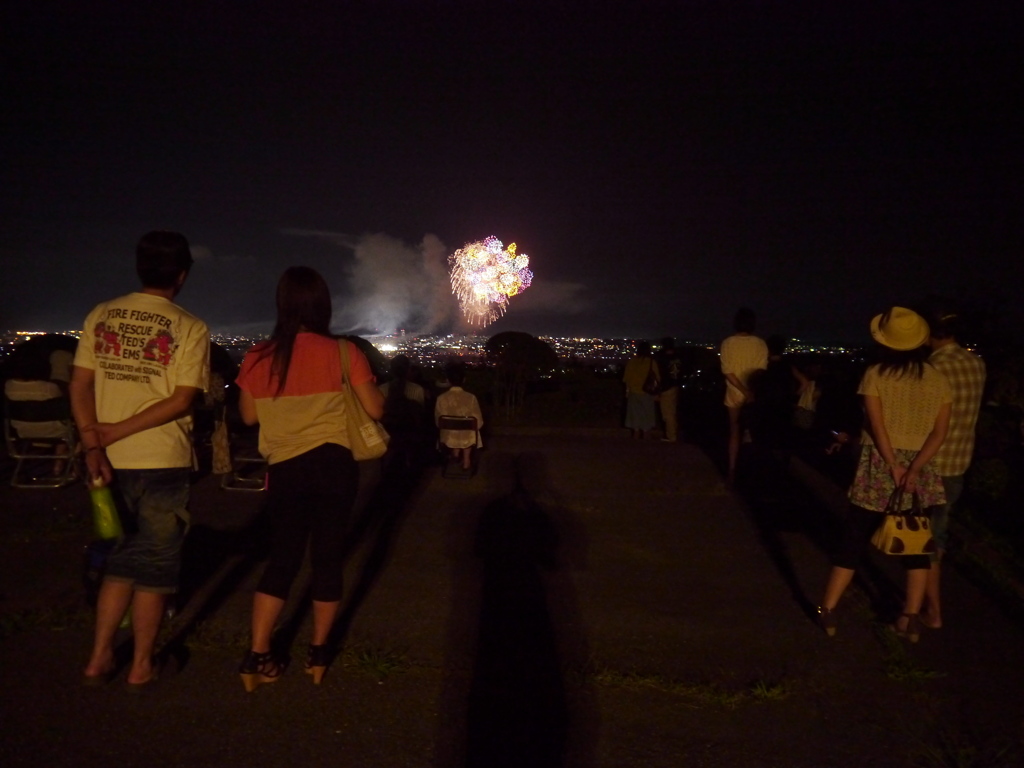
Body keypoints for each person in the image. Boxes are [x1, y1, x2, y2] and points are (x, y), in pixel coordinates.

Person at [71, 231, 210, 688]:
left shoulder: (101, 313)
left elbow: (80, 387)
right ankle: (141, 664)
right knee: (153, 567)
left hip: (108, 459)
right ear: (182, 275)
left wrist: (96, 443)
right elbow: (183, 399)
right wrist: (117, 432)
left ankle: (98, 658)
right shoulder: (189, 327)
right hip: (161, 458)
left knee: (119, 559)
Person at [234, 266, 383, 690]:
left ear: (281, 304)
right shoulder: (343, 353)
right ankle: (318, 656)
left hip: (285, 469)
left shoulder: (259, 356)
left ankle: (257, 655)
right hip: (335, 467)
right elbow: (375, 411)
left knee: (282, 559)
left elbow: (247, 415)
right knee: (328, 560)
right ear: (323, 305)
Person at [817, 307, 951, 643]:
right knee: (916, 545)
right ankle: (910, 619)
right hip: (921, 469)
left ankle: (829, 610)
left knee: (853, 537)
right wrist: (915, 468)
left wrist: (893, 465)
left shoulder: (876, 374)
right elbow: (940, 432)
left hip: (880, 464)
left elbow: (877, 427)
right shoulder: (938, 379)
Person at [919, 299, 985, 629]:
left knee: (923, 543)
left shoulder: (932, 368)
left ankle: (930, 611)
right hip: (959, 463)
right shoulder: (976, 364)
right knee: (938, 538)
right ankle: (924, 606)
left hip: (932, 464)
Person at [720, 308, 768, 483]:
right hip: (753, 395)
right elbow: (761, 372)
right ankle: (751, 469)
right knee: (753, 432)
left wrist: (741, 389)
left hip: (733, 394)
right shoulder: (760, 344)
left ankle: (732, 470)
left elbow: (727, 371)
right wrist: (750, 391)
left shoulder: (728, 343)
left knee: (734, 432)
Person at [435, 361, 484, 471]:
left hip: (448, 436)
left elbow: (438, 421)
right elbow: (478, 421)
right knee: (469, 430)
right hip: (468, 436)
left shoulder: (441, 398)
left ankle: (455, 451)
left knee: (455, 429)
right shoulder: (471, 398)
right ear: (464, 380)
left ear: (448, 380)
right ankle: (467, 460)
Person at [622, 341, 660, 439]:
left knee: (635, 414)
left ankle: (636, 433)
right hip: (647, 392)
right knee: (647, 413)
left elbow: (627, 378)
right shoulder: (651, 362)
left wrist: (627, 391)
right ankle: (646, 433)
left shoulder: (632, 361)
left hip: (634, 392)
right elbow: (657, 378)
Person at [654, 337, 683, 442]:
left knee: (667, 413)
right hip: (675, 385)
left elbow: (658, 374)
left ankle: (671, 436)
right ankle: (672, 434)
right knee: (672, 411)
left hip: (666, 387)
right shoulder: (678, 356)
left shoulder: (661, 357)